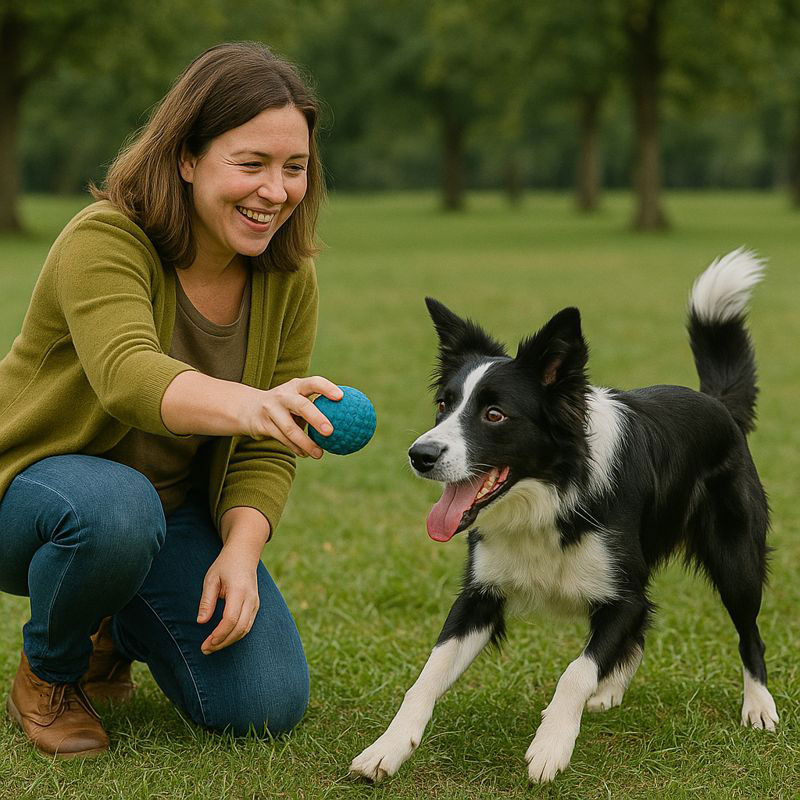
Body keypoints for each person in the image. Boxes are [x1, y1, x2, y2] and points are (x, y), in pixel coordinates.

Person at [0, 41, 343, 758]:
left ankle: (111, 627)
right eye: (250, 165)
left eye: (295, 168)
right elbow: (129, 374)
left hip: (163, 516)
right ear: (187, 158)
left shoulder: (287, 279)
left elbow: (263, 446)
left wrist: (242, 551)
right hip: (33, 499)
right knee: (114, 507)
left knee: (264, 703)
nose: (275, 191)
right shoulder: (106, 239)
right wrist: (254, 403)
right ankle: (51, 674)